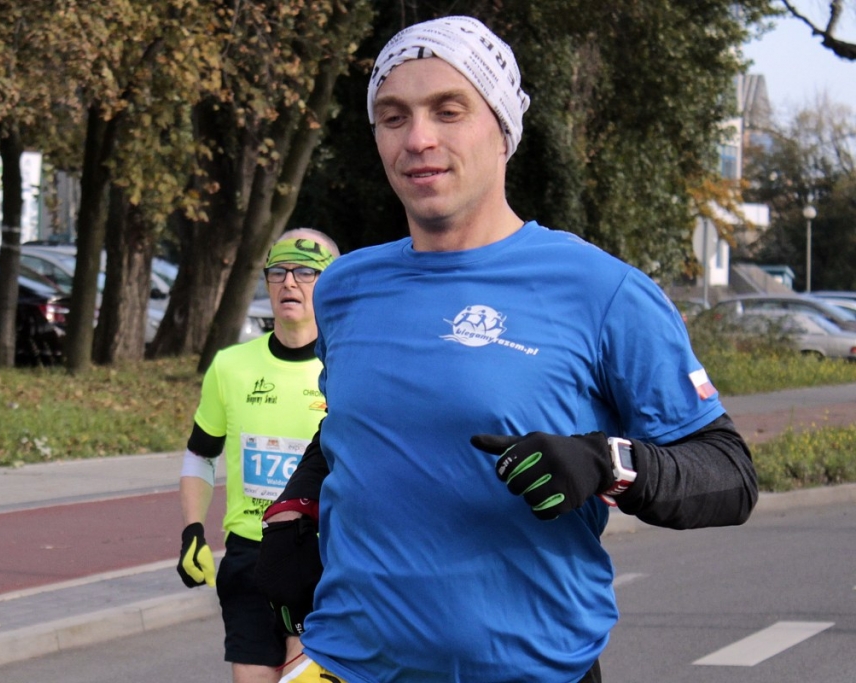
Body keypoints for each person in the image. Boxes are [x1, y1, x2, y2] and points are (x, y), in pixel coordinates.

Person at [254, 15, 758, 683]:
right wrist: (295, 510)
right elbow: (351, 422)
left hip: (531, 671)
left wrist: (606, 462)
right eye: (393, 116)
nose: (418, 138)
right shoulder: (346, 287)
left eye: (448, 110)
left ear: (503, 128)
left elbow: (730, 474)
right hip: (345, 663)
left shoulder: (601, 291)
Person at [177, 228, 340, 683]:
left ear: (332, 282)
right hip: (249, 554)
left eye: (305, 272)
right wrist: (192, 529)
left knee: (301, 675)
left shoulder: (348, 367)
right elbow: (199, 455)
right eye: (278, 271)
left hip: (321, 552)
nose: (289, 282)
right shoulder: (230, 366)